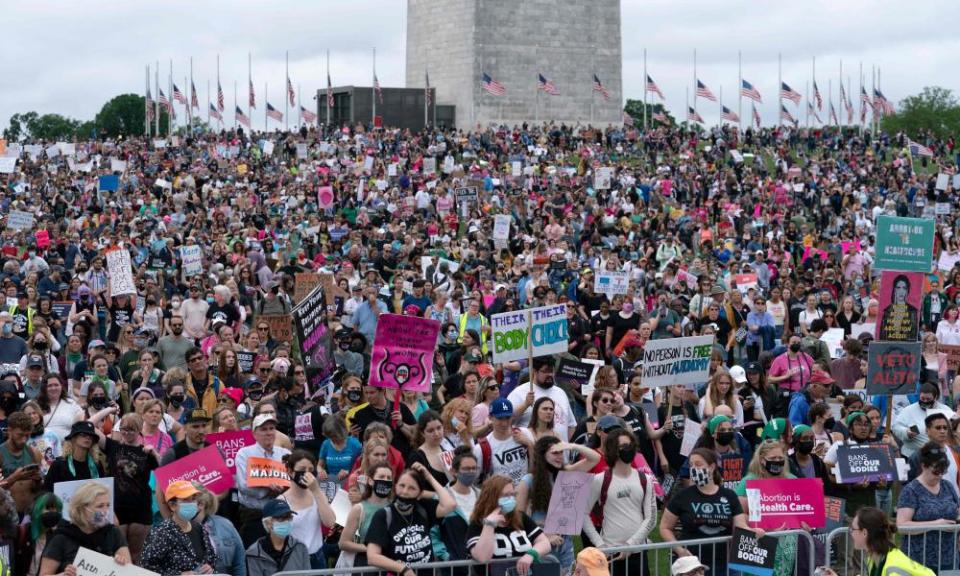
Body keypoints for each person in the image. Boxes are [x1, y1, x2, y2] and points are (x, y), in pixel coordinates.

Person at [660, 447, 750, 576]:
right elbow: (664, 527)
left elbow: (740, 524)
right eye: (691, 465)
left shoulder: (729, 495)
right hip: (693, 566)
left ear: (712, 467)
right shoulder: (683, 496)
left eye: (698, 464)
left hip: (724, 563)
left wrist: (754, 531)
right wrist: (679, 550)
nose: (694, 469)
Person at [582, 429, 656, 576]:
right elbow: (583, 514)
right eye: (622, 446)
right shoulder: (599, 479)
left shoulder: (645, 479)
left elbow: (652, 518)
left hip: (638, 551)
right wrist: (599, 543)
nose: (626, 449)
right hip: (610, 552)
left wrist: (631, 544)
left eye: (629, 445)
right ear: (612, 450)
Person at [365, 462, 457, 574]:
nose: (404, 492)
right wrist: (404, 569)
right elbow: (372, 556)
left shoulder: (423, 509)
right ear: (395, 487)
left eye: (412, 488)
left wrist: (428, 476)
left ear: (420, 494)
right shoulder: (384, 515)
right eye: (402, 486)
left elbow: (450, 505)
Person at [39, 481, 131, 576]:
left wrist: (122, 564)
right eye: (100, 506)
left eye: (108, 505)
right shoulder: (62, 537)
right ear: (82, 508)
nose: (105, 511)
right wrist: (63, 575)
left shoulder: (113, 533)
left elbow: (130, 571)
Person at [467, 474, 552, 576]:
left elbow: (544, 542)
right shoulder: (477, 524)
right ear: (492, 497)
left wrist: (531, 554)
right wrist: (489, 525)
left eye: (512, 495)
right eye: (506, 495)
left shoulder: (520, 518)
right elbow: (482, 557)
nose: (511, 499)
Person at [821, 507, 935, 576]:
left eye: (853, 529)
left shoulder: (893, 568)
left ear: (864, 533)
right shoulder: (875, 556)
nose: (850, 532)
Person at [235, 412, 292, 546]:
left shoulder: (286, 454)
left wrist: (282, 490)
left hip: (281, 514)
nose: (269, 433)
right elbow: (243, 486)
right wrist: (267, 490)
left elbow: (293, 481)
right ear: (254, 434)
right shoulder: (244, 454)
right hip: (254, 515)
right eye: (264, 429)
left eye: (272, 429)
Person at [140, 480, 218, 576]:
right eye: (185, 500)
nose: (191, 503)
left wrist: (209, 566)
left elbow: (211, 556)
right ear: (172, 505)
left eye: (193, 499)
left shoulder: (199, 528)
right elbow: (146, 568)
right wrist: (178, 574)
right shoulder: (162, 532)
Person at [278, 449, 338, 568]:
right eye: (302, 470)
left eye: (311, 470)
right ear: (290, 471)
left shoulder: (318, 495)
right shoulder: (281, 501)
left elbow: (330, 522)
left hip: (317, 557)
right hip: (293, 559)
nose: (307, 474)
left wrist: (316, 491)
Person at [338, 462, 393, 570]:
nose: (385, 480)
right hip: (367, 566)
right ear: (371, 481)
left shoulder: (394, 507)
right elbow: (343, 543)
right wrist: (369, 548)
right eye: (381, 477)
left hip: (391, 564)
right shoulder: (359, 508)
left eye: (389, 478)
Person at [508, 356, 577, 442]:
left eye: (551, 371)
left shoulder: (561, 392)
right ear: (534, 371)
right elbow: (506, 421)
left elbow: (571, 425)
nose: (550, 375)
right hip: (534, 453)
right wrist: (525, 404)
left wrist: (564, 447)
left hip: (561, 453)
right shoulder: (519, 393)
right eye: (545, 371)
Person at [244, 498, 311, 576]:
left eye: (288, 517)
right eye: (281, 518)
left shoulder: (300, 547)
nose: (286, 521)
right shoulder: (254, 554)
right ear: (268, 523)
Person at [893, 383, 956, 458]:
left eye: (928, 399)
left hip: (940, 454)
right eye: (922, 398)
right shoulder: (909, 410)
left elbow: (955, 428)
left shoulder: (945, 410)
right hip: (912, 455)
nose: (925, 401)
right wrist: (906, 432)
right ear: (919, 396)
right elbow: (896, 427)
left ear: (935, 397)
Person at [196, 485, 246, 576]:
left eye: (186, 501)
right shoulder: (172, 530)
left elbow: (239, 563)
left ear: (201, 504)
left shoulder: (225, 525)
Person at [878, 274, 919, 341]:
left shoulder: (913, 311)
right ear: (894, 290)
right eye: (898, 287)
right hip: (889, 348)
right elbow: (883, 336)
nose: (901, 291)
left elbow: (913, 335)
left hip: (906, 349)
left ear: (907, 291)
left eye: (904, 288)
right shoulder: (887, 311)